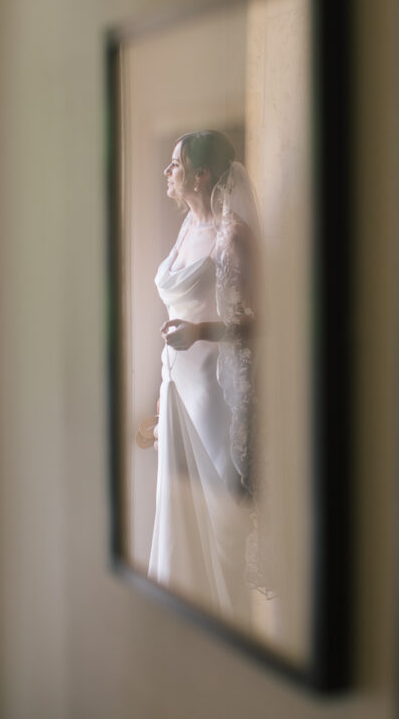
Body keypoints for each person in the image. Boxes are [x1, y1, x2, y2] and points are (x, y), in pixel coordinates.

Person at [148, 130, 261, 625]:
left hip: (215, 397)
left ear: (202, 174)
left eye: (176, 164)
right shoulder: (186, 231)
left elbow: (260, 322)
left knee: (221, 534)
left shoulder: (233, 236)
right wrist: (161, 396)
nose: (167, 173)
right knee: (180, 520)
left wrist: (199, 332)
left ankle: (234, 642)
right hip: (177, 388)